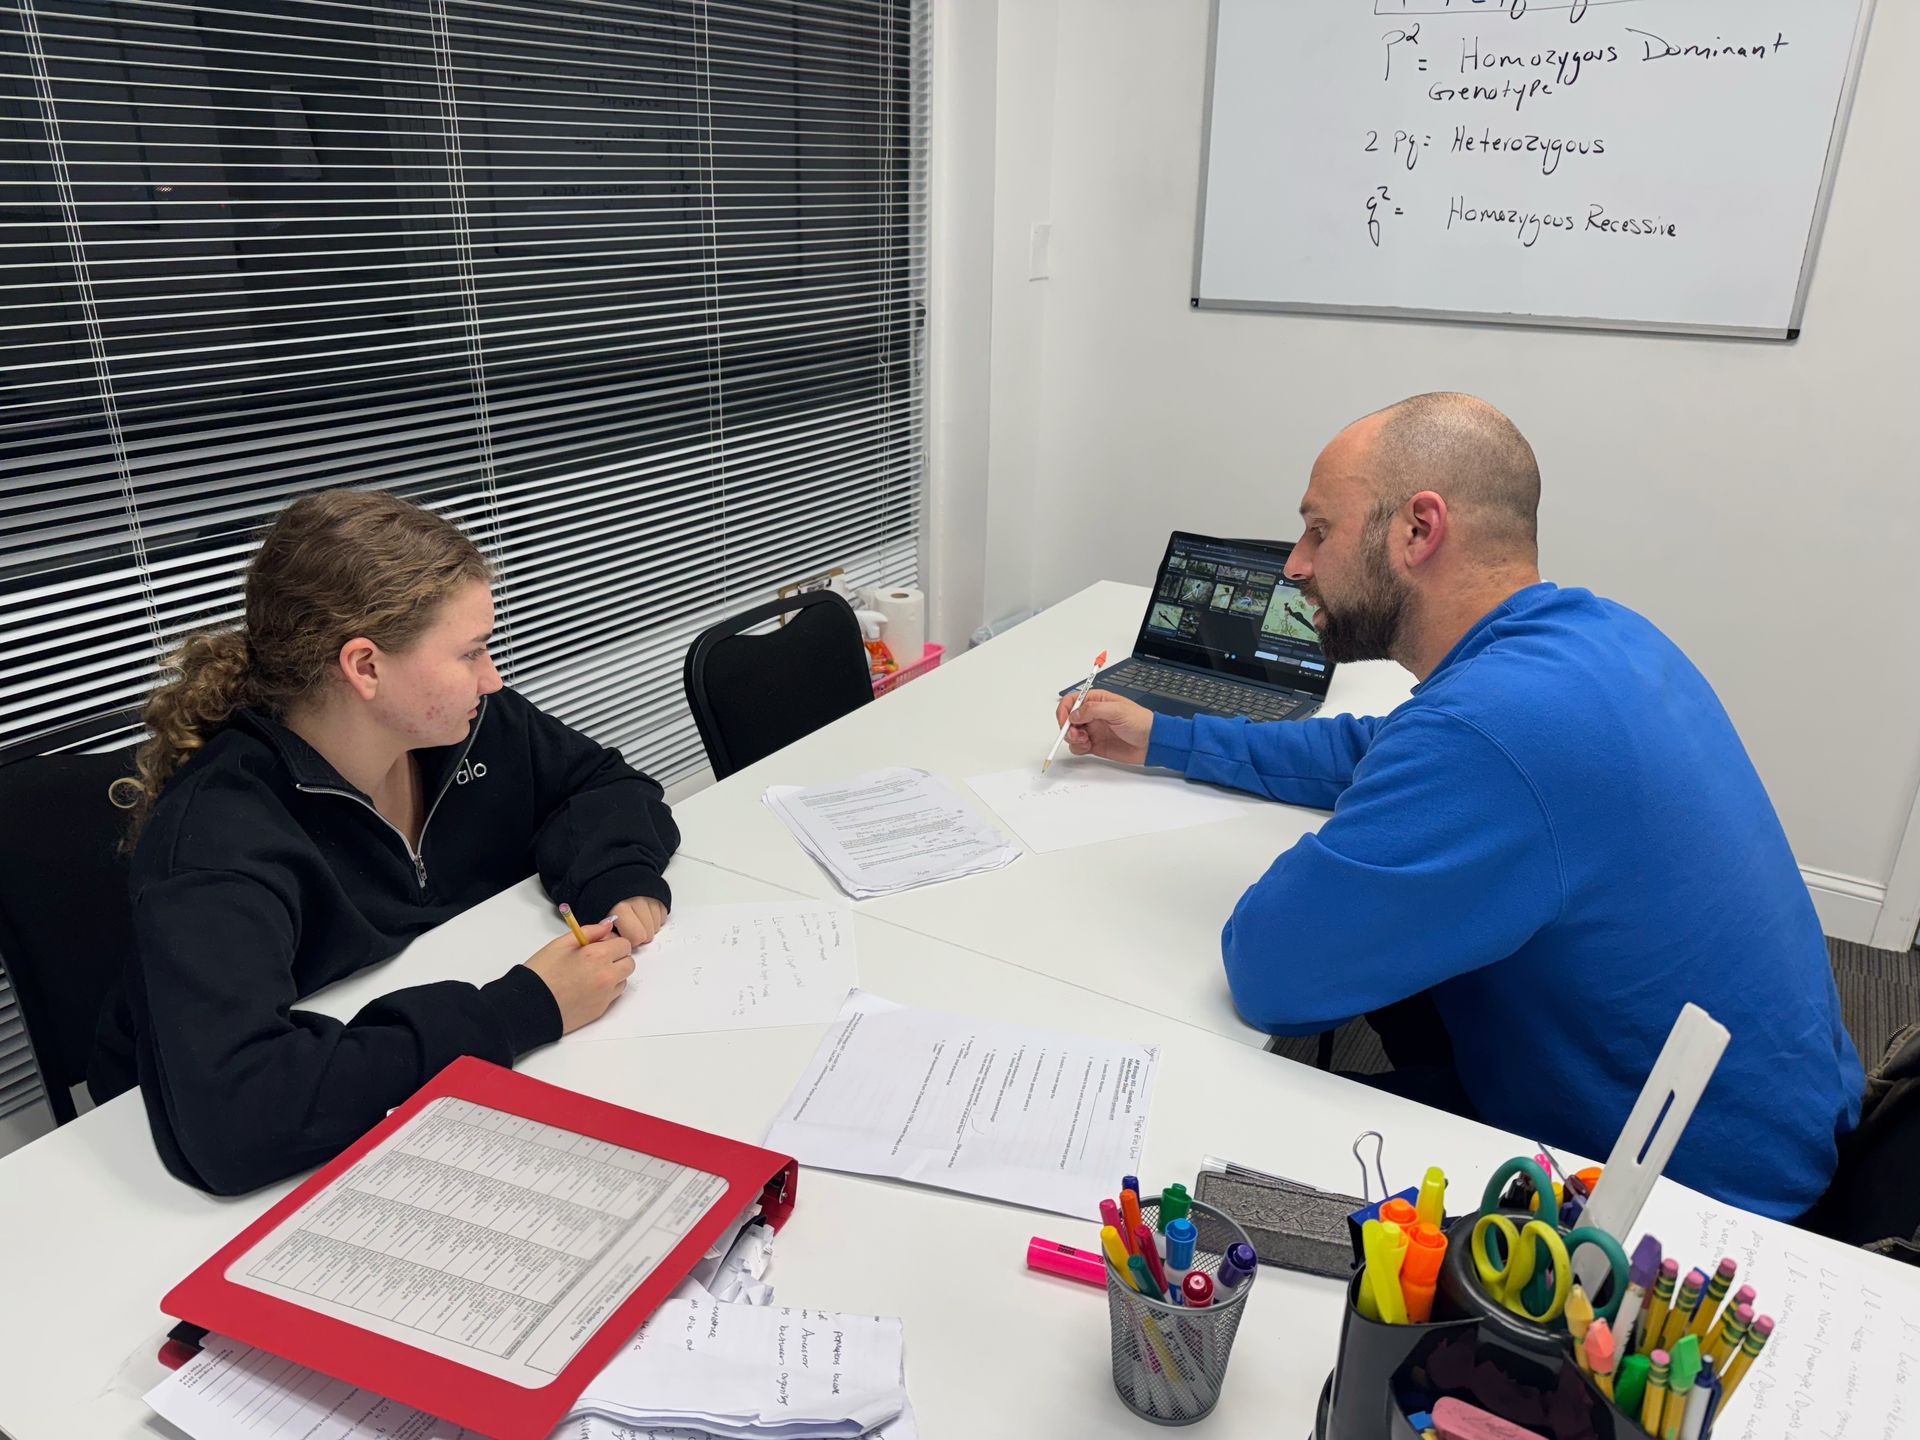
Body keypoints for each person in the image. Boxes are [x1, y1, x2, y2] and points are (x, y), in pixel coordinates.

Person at [1056, 393, 1861, 1220]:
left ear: (1417, 530)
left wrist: (1349, 845)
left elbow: (1270, 973)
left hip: (1694, 1209)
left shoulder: (1491, 731)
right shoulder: (1596, 636)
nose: (1295, 564)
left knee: (1200, 1167)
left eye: (1320, 531)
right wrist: (1167, 738)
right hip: (1788, 1119)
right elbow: (1377, 748)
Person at [90, 489, 680, 1195]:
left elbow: (604, 784)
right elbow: (236, 1113)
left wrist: (617, 871)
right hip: (219, 1186)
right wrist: (519, 1011)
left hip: (423, 1095)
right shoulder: (219, 835)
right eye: (469, 652)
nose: (491, 676)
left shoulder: (465, 727)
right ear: (365, 667)